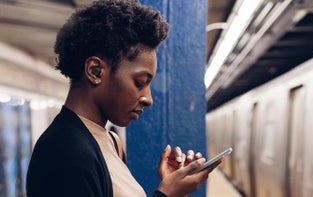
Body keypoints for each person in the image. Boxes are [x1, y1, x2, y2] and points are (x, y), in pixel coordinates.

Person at [26, 0, 221, 197]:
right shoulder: (63, 152)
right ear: (95, 71)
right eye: (139, 83)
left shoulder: (111, 141)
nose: (148, 99)